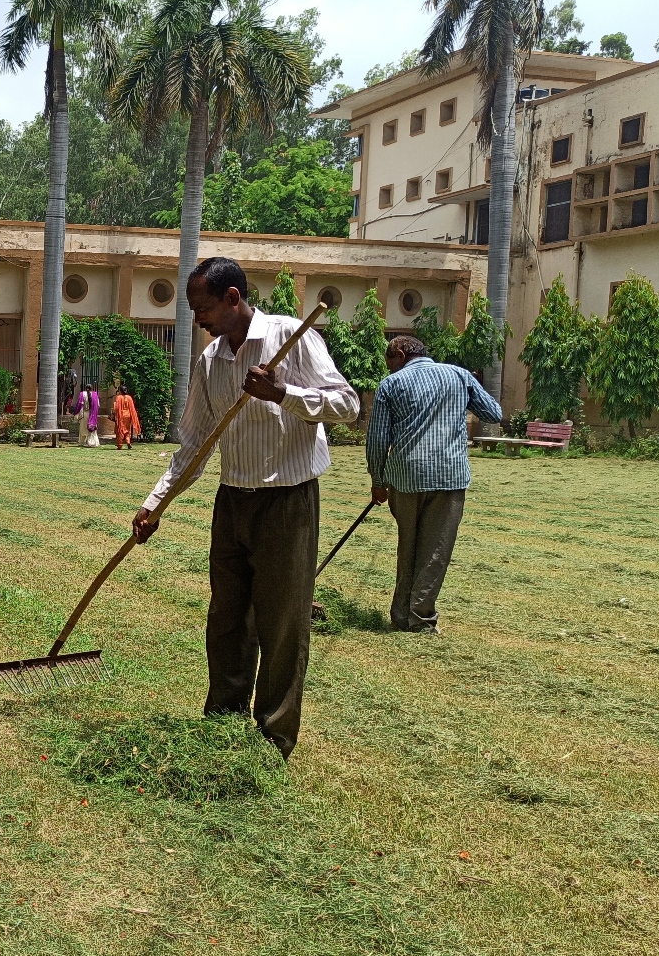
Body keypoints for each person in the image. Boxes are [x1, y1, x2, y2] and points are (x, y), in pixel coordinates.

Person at [131, 258, 358, 758]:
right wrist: (155, 504)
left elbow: (347, 405)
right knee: (228, 617)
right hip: (233, 500)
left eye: (204, 307)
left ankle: (273, 735)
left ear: (233, 297)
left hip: (287, 500)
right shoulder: (211, 362)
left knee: (282, 620)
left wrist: (284, 394)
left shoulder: (289, 337)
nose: (198, 319)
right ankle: (224, 721)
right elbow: (194, 443)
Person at [366, 335, 503, 633]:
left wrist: (378, 481)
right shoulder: (458, 375)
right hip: (448, 477)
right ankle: (421, 619)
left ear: (399, 355)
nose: (390, 369)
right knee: (435, 551)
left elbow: (377, 440)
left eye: (390, 362)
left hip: (405, 477)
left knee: (409, 548)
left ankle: (401, 616)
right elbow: (494, 413)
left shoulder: (391, 384)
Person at [112, 384, 142, 449]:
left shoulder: (119, 397)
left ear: (120, 391)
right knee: (127, 430)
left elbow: (117, 408)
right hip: (128, 415)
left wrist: (114, 413)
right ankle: (128, 442)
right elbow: (132, 408)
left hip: (121, 415)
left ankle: (120, 445)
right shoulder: (129, 397)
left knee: (120, 429)